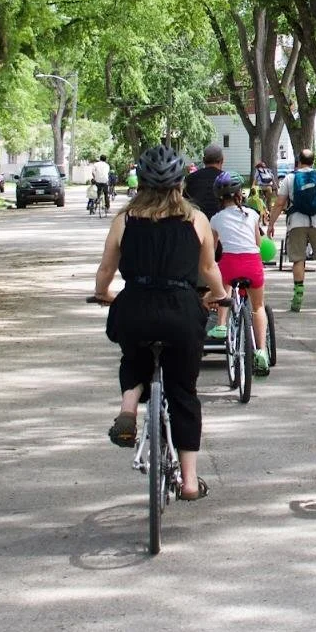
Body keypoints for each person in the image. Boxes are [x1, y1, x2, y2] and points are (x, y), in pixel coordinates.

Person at [91, 144, 226, 502]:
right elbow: (208, 269)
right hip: (182, 311)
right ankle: (191, 481)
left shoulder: (124, 219)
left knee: (133, 358)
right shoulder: (196, 220)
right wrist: (220, 294)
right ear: (180, 183)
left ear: (142, 183)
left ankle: (128, 408)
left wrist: (102, 292)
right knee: (183, 393)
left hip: (135, 306)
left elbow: (106, 270)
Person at [210, 172, 271, 374]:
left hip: (230, 263)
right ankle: (261, 351)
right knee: (258, 306)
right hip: (252, 263)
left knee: (224, 285)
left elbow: (212, 249)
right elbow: (258, 243)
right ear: (239, 194)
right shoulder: (252, 214)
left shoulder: (216, 219)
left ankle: (220, 324)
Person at [273, 149, 316, 313]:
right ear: (312, 161)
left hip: (297, 222)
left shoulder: (290, 178)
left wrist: (271, 223)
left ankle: (298, 296)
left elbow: (280, 202)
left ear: (298, 160)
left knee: (298, 259)